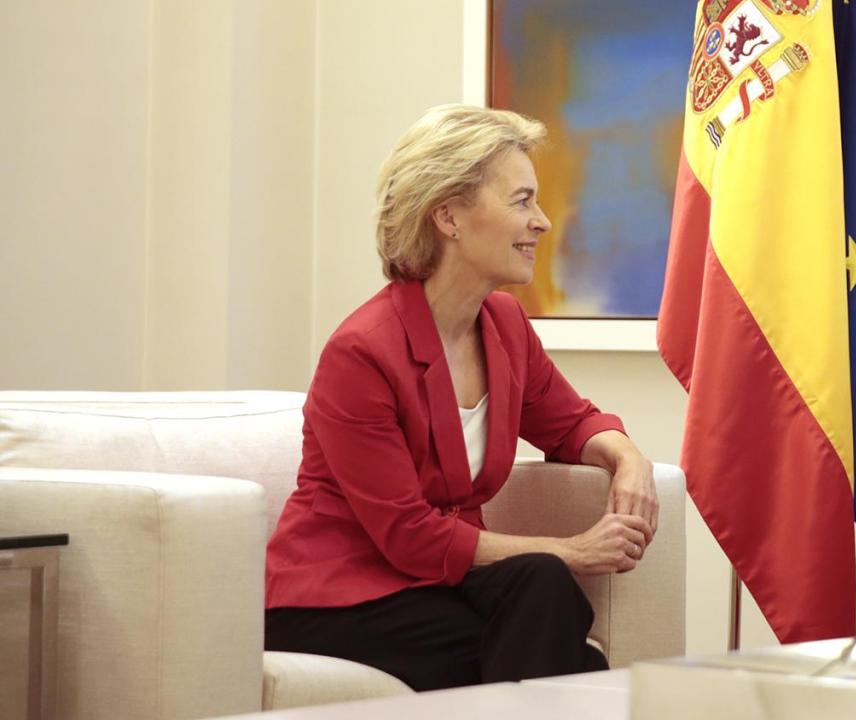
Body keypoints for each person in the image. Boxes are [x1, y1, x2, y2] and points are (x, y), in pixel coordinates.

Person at [264, 104, 658, 689]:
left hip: (433, 585)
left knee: (542, 589)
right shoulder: (362, 353)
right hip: (338, 598)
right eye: (521, 201)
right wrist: (575, 550)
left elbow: (572, 422)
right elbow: (407, 535)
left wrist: (628, 458)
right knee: (565, 642)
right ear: (448, 217)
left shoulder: (503, 323)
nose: (543, 222)